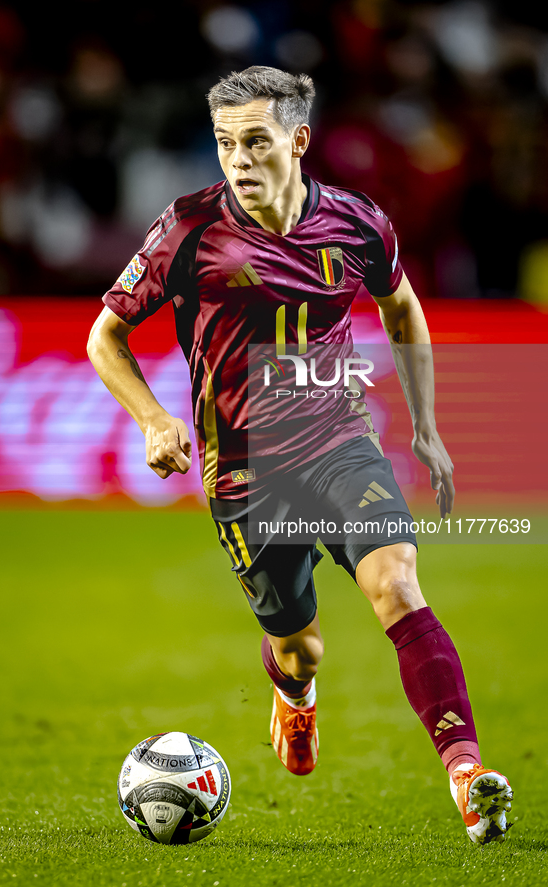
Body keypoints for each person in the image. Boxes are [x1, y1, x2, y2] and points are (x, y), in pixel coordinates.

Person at [87, 66, 513, 844]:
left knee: (397, 585)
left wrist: (424, 425)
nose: (238, 160)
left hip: (340, 443)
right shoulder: (188, 229)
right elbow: (105, 336)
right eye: (224, 144)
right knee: (301, 643)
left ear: (297, 139)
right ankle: (295, 692)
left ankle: (465, 772)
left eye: (254, 141)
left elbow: (401, 305)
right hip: (244, 471)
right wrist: (151, 419)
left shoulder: (356, 224)